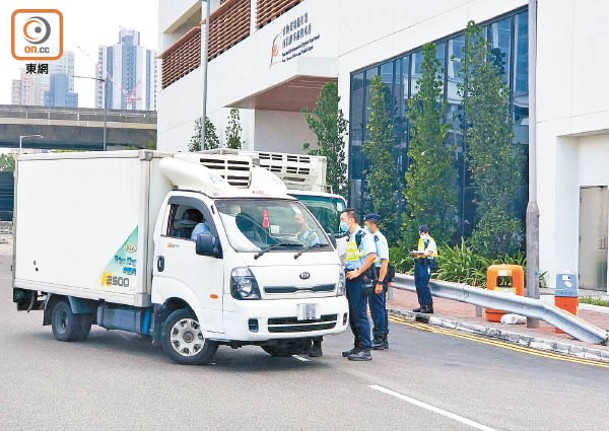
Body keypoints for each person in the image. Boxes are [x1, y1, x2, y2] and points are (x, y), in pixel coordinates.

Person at [340, 209, 377, 361]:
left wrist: (358, 272)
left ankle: (365, 348)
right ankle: (358, 345)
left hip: (359, 278)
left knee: (360, 313)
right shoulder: (351, 237)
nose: (341, 223)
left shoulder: (363, 236)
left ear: (351, 220)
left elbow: (372, 256)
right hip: (350, 277)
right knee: (353, 314)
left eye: (342, 219)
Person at [293, 212, 323, 357]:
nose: (297, 221)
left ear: (304, 219)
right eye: (295, 219)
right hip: (298, 274)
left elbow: (316, 253)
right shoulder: (298, 236)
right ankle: (304, 344)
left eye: (299, 218)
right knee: (300, 312)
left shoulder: (312, 236)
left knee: (310, 311)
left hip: (310, 274)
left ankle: (317, 344)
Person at [363, 213, 390, 350]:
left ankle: (380, 338)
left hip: (379, 274)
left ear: (372, 224)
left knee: (377, 308)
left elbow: (384, 262)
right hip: (375, 274)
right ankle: (381, 337)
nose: (365, 226)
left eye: (366, 224)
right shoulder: (372, 238)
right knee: (377, 308)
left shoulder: (379, 239)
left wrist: (380, 282)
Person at [410, 224, 437, 314]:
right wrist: (416, 254)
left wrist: (418, 253)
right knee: (418, 285)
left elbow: (428, 253)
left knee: (423, 285)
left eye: (423, 233)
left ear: (426, 232)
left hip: (426, 264)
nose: (421, 234)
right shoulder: (421, 240)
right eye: (420, 233)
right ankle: (422, 305)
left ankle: (428, 306)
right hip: (419, 264)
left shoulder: (430, 241)